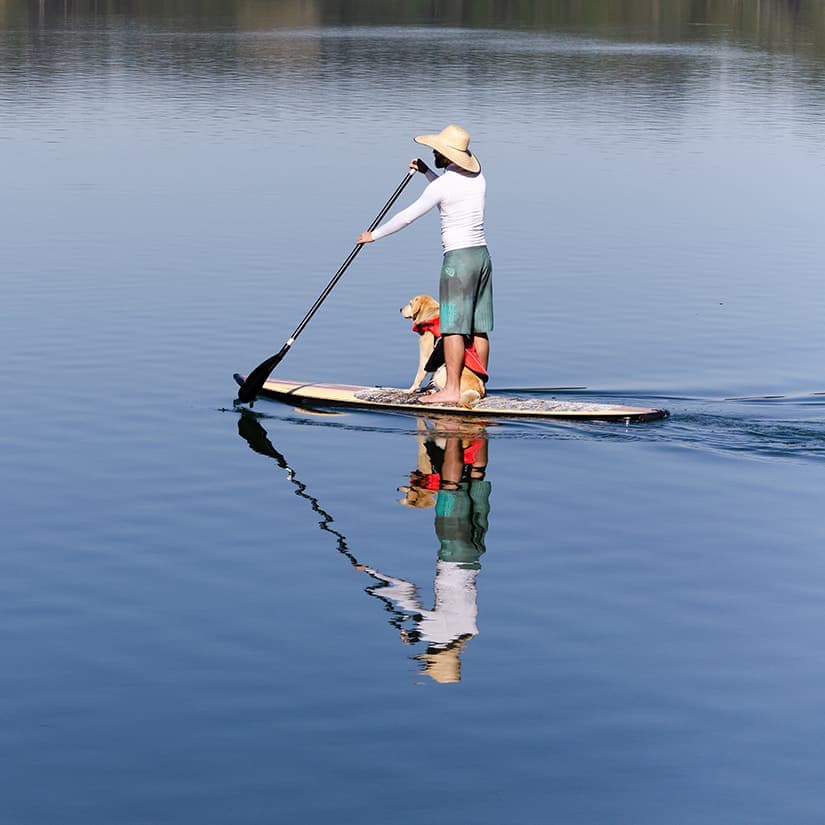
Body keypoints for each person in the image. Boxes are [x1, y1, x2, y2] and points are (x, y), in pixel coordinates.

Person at [357, 124, 493, 405]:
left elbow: (408, 216)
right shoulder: (477, 176)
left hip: (458, 262)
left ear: (448, 156)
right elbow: (448, 190)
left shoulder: (444, 185)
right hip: (481, 258)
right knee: (479, 327)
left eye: (438, 151)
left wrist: (374, 235)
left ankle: (452, 390)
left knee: (453, 328)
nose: (433, 152)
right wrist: (427, 172)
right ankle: (477, 384)